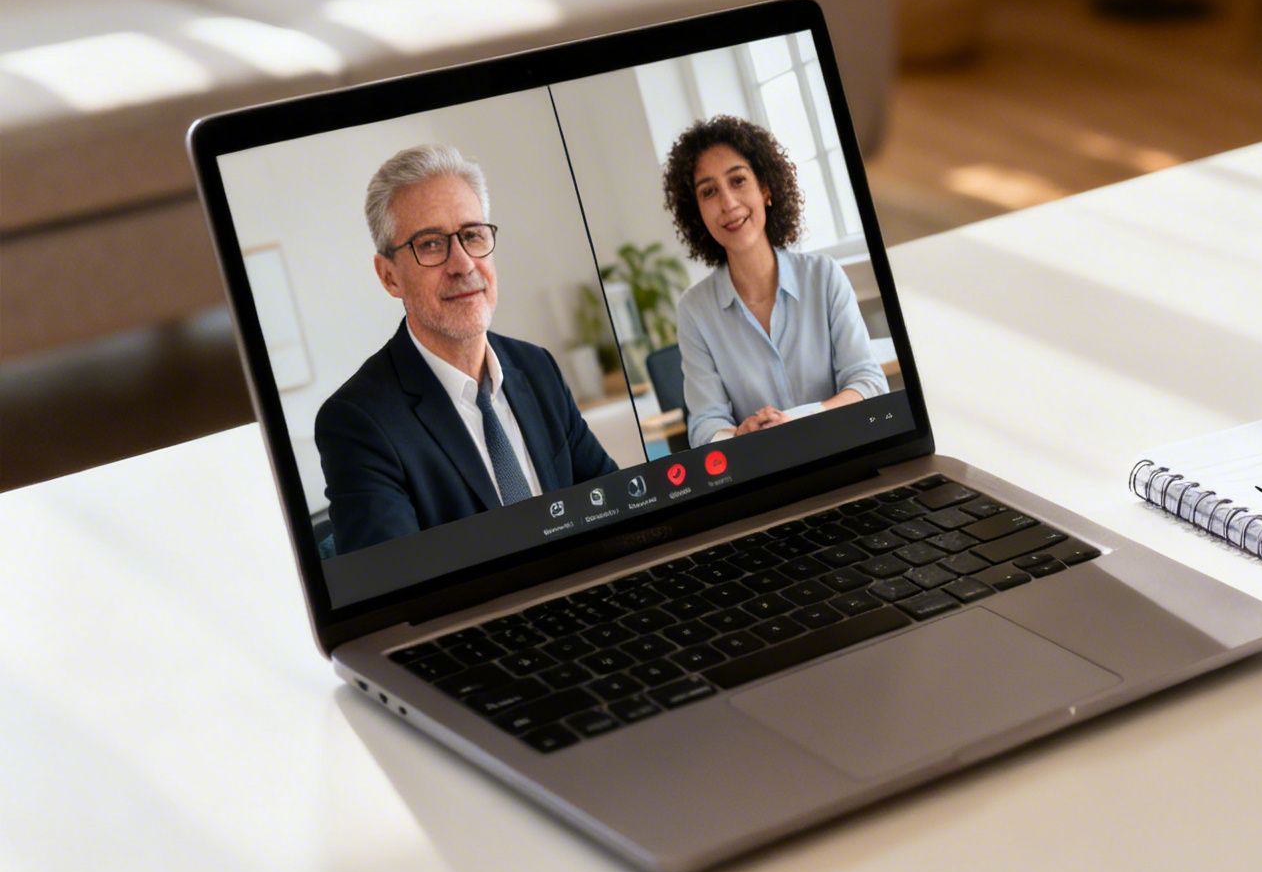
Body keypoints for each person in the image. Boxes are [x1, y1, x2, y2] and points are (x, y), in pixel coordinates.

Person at [316, 144, 616, 555]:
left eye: (473, 235)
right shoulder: (357, 423)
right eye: (432, 244)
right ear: (389, 277)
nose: (463, 264)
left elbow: (617, 503)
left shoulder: (537, 367)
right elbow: (398, 590)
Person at [662, 116, 885, 449]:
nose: (728, 203)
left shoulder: (823, 276)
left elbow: (868, 383)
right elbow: (704, 426)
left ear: (765, 189)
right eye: (709, 192)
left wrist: (795, 420)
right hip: (764, 474)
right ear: (698, 212)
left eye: (737, 181)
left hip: (847, 454)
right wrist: (740, 436)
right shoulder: (695, 311)